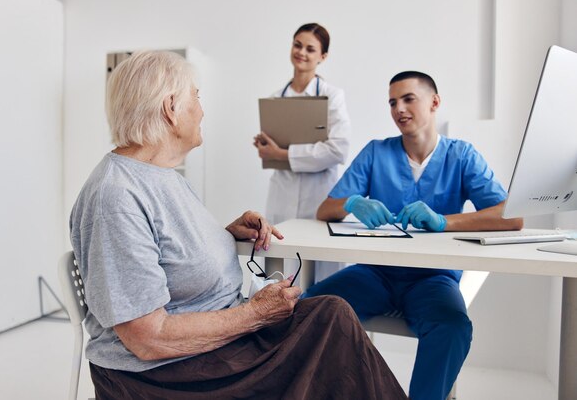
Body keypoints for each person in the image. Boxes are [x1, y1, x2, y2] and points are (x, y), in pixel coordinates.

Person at [69, 50, 408, 400]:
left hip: (207, 351)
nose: (201, 110)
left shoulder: (162, 176)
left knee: (331, 315)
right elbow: (147, 338)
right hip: (166, 375)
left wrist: (222, 235)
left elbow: (166, 248)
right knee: (330, 326)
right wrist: (256, 314)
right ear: (171, 108)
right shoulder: (116, 197)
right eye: (196, 97)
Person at [303, 71, 524, 400]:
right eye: (392, 102)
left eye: (408, 99)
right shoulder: (376, 152)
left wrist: (444, 222)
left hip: (433, 280)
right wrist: (351, 202)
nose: (398, 109)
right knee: (311, 308)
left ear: (434, 102)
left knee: (452, 328)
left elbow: (511, 216)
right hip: (375, 273)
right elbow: (325, 209)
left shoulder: (461, 155)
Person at [254, 23, 351, 282]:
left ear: (323, 57)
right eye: (298, 45)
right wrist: (265, 148)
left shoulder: (332, 96)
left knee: (322, 278)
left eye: (310, 49)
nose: (302, 53)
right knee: (278, 274)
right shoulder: (276, 98)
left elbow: (338, 149)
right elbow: (273, 148)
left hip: (318, 197)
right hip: (282, 195)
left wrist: (282, 153)